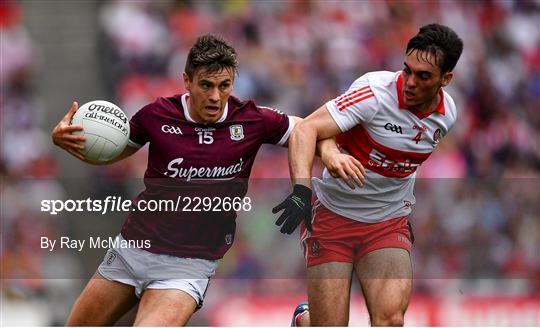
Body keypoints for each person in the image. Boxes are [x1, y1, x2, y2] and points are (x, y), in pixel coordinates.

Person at [52, 34, 323, 326]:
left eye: (224, 86)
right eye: (206, 85)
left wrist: (322, 165)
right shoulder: (156, 115)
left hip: (188, 265)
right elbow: (108, 152)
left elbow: (308, 129)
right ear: (187, 80)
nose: (216, 97)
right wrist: (68, 141)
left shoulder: (252, 120)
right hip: (131, 249)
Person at [273, 23, 463, 326]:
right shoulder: (374, 92)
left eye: (423, 76)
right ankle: (305, 320)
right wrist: (302, 190)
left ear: (446, 79)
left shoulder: (447, 115)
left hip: (387, 222)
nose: (410, 82)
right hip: (333, 218)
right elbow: (307, 128)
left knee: (391, 320)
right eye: (407, 70)